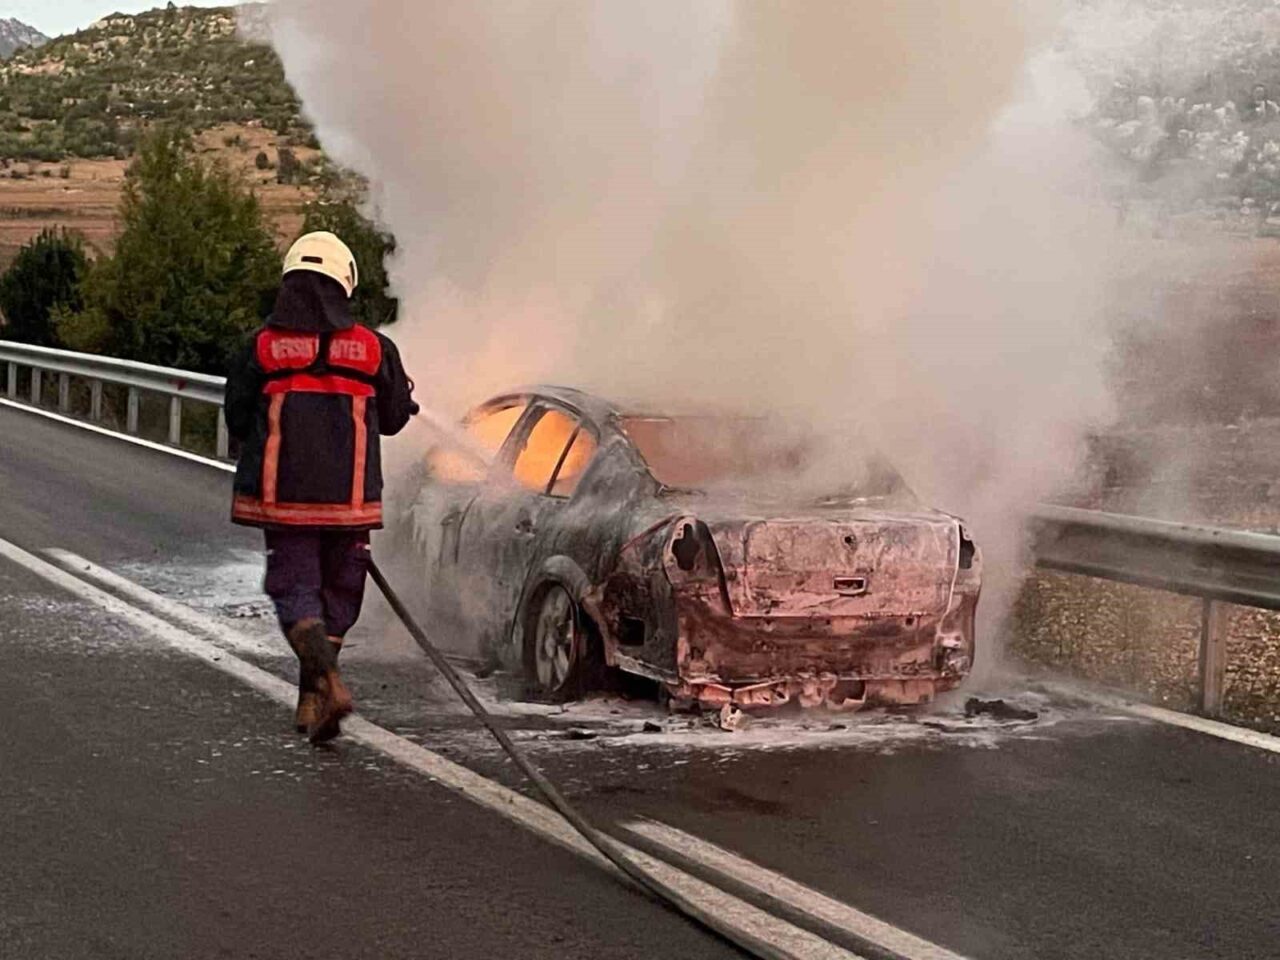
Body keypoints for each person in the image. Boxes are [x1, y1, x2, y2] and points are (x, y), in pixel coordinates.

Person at [224, 231, 417, 743]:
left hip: (282, 499)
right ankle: (314, 693)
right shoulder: (375, 349)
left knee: (295, 591)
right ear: (345, 283)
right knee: (340, 595)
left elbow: (238, 416)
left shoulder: (261, 346)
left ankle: (322, 685)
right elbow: (395, 419)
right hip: (349, 503)